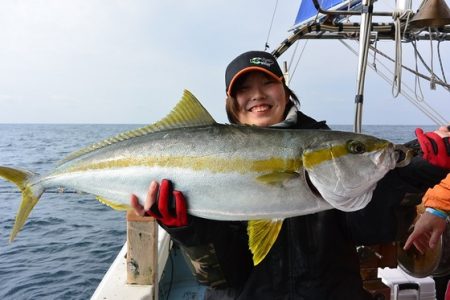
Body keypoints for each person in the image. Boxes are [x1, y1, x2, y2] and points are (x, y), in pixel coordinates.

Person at [131, 50, 448, 299]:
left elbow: (367, 227)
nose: (257, 95)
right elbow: (223, 275)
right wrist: (187, 227)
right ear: (231, 101)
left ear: (285, 88)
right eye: (244, 88)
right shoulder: (208, 153)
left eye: (267, 82)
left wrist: (415, 175)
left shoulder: (325, 144)